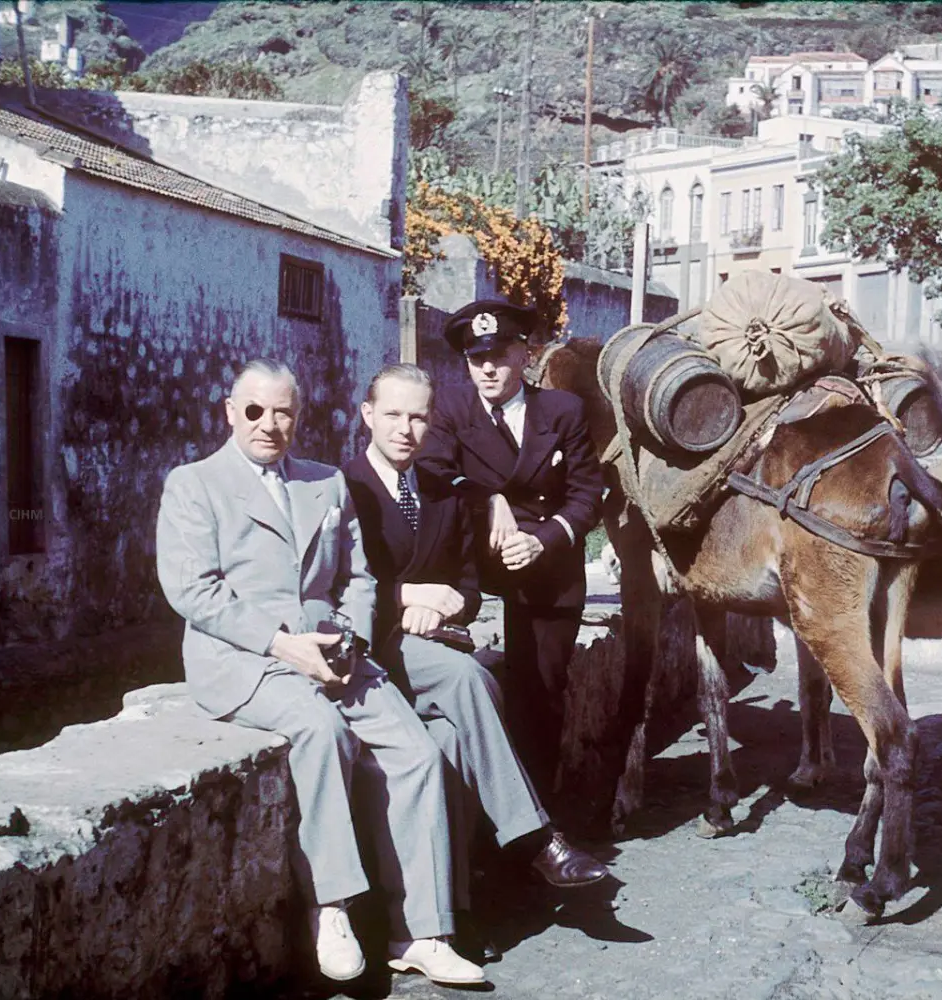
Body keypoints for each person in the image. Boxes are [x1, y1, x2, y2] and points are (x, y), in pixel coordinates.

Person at [156, 359, 483, 987]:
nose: (269, 424)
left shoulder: (324, 482)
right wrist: (283, 646)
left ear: (298, 416)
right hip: (246, 660)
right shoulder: (194, 485)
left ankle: (422, 932)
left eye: (284, 412)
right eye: (255, 410)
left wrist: (350, 636)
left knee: (415, 750)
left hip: (333, 653)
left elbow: (357, 577)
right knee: (321, 732)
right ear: (229, 412)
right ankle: (331, 908)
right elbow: (194, 592)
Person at [343, 363, 607, 935]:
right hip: (368, 648)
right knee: (470, 681)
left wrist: (444, 607)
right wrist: (406, 598)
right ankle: (537, 839)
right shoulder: (343, 489)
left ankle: (449, 915)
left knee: (451, 735)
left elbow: (466, 588)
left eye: (417, 417)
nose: (405, 429)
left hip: (428, 645)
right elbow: (334, 583)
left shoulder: (441, 495)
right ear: (367, 416)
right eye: (392, 415)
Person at [416, 298, 602, 811]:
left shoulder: (563, 412)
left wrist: (546, 538)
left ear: (525, 354)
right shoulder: (453, 410)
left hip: (549, 573)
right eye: (478, 360)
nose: (489, 369)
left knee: (541, 694)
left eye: (499, 355)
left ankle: (541, 816)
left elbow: (589, 494)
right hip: (476, 572)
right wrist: (488, 497)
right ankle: (482, 816)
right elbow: (431, 471)